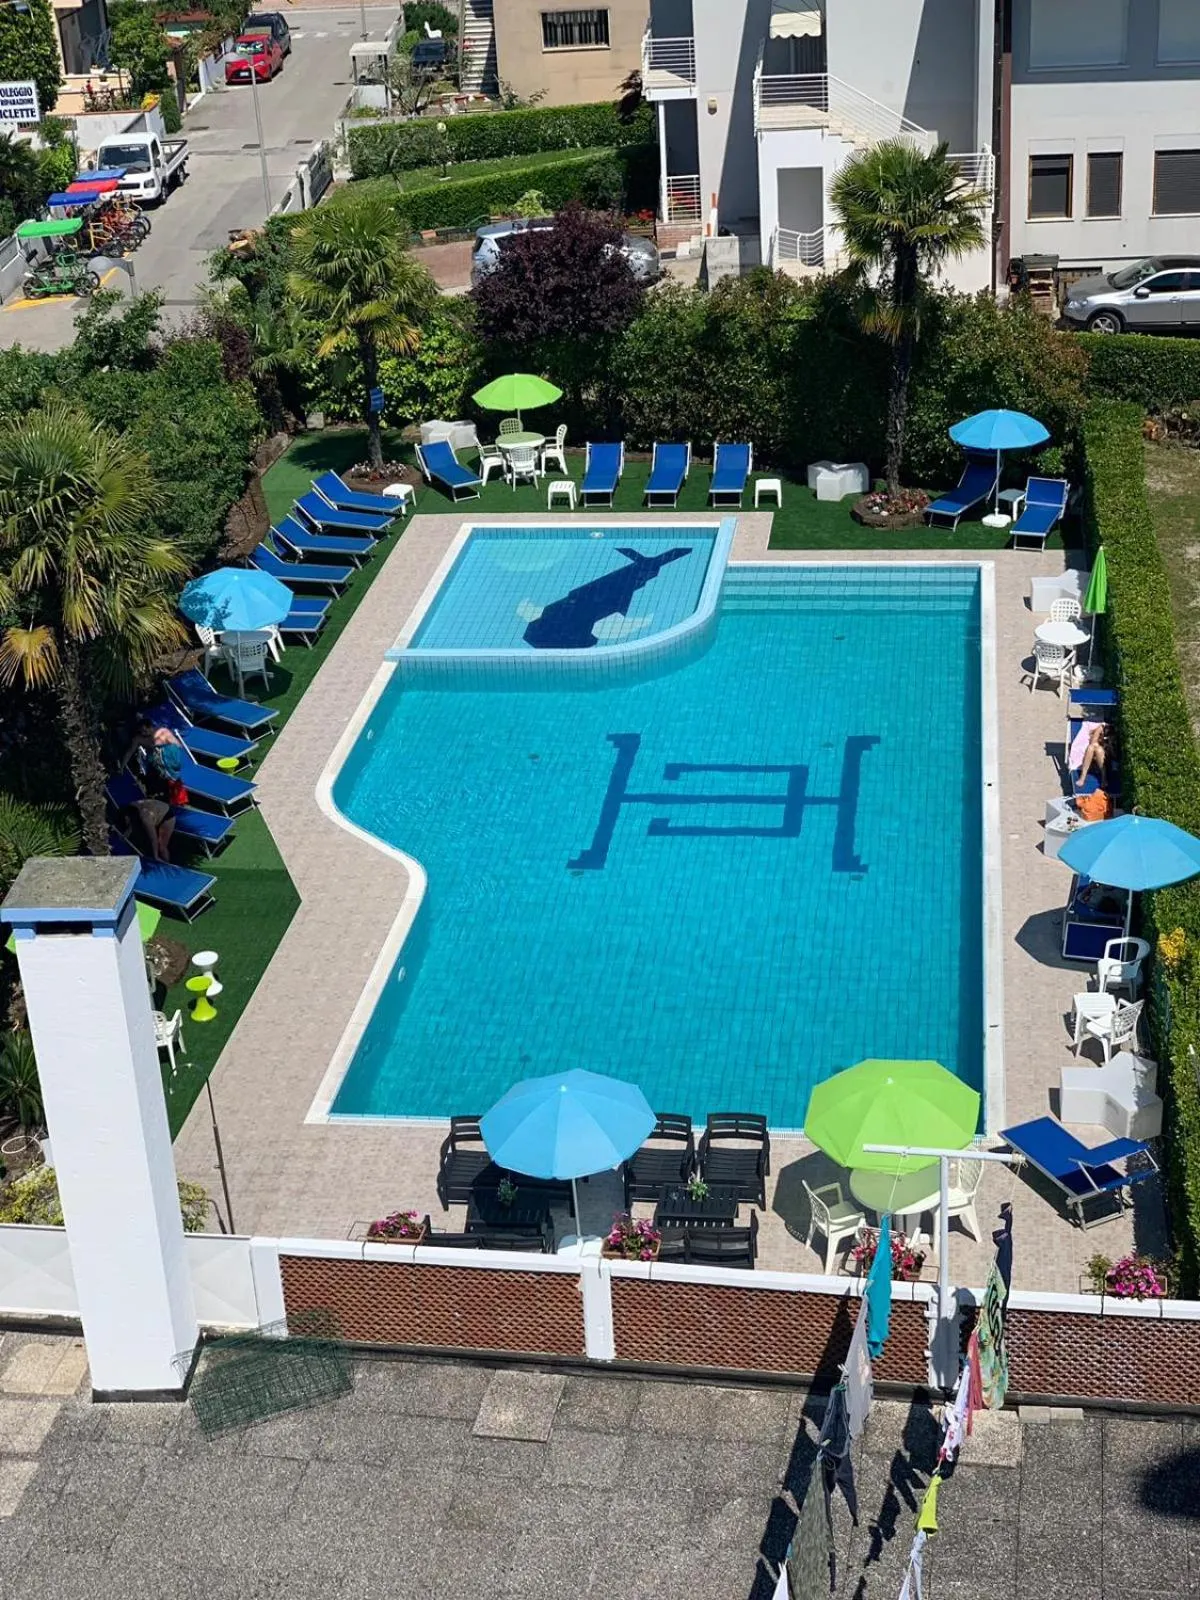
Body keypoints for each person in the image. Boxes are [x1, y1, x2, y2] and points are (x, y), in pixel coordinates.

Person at [119, 721, 184, 862]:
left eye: (145, 730)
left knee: (167, 798)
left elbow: (175, 750)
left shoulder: (161, 735)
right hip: (154, 771)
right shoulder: (139, 739)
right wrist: (122, 766)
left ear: (150, 727)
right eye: (141, 731)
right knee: (156, 795)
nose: (144, 733)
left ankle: (167, 844)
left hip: (165, 769)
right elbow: (130, 751)